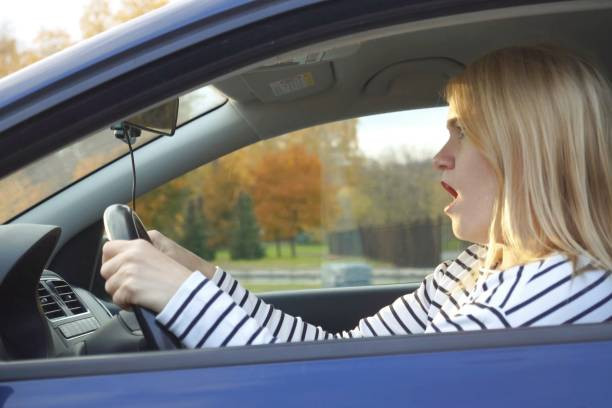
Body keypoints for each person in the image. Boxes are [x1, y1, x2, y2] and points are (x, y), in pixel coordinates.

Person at [100, 45, 612, 348]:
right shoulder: (479, 266)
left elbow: (337, 395)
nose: (440, 156)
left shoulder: (551, 299)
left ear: (523, 153)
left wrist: (184, 298)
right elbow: (339, 356)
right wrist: (202, 277)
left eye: (463, 131)